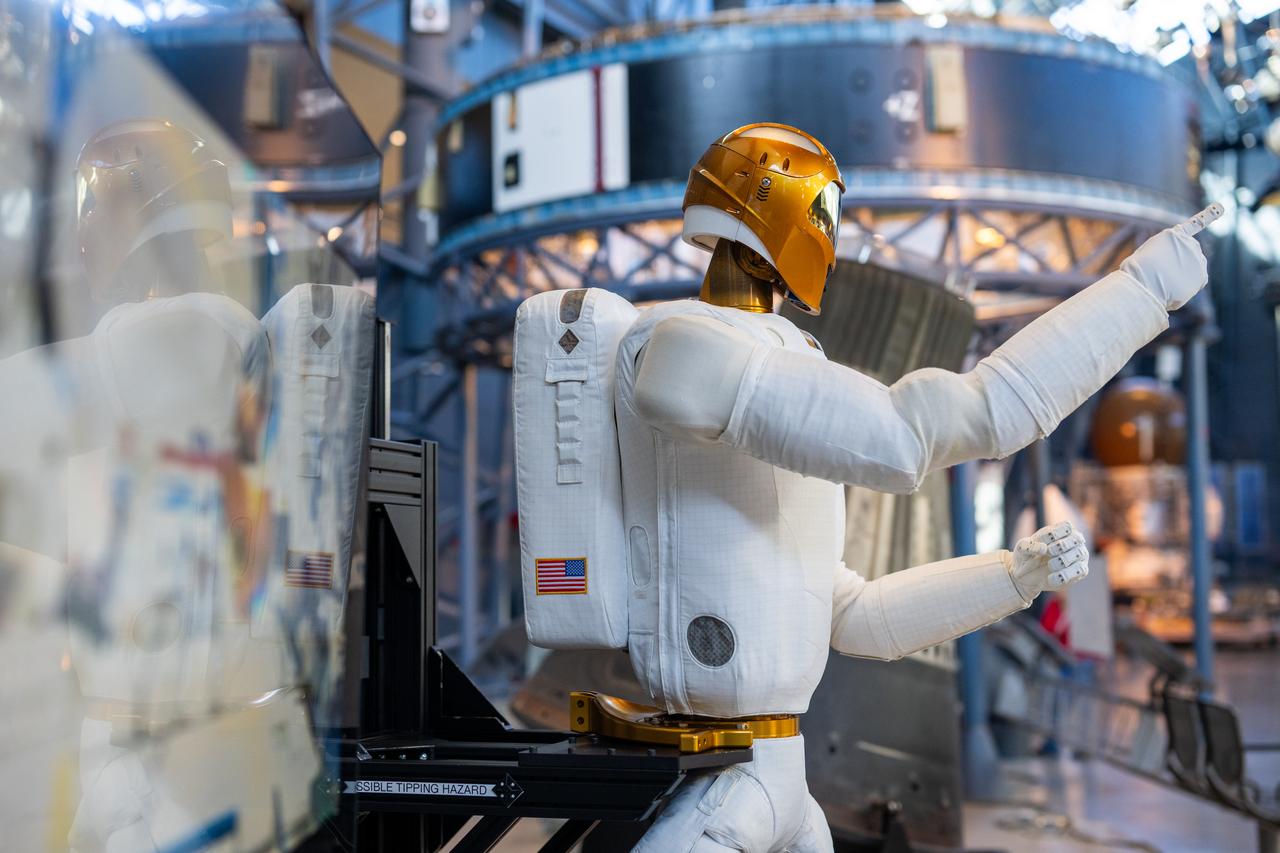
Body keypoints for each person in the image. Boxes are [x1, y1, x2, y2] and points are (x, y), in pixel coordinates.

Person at [612, 123, 1209, 853]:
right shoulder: (682, 350)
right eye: (822, 211)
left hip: (780, 780)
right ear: (779, 210)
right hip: (728, 784)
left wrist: (1011, 577)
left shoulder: (765, 362)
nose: (828, 230)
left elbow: (855, 614)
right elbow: (926, 432)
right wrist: (1142, 290)